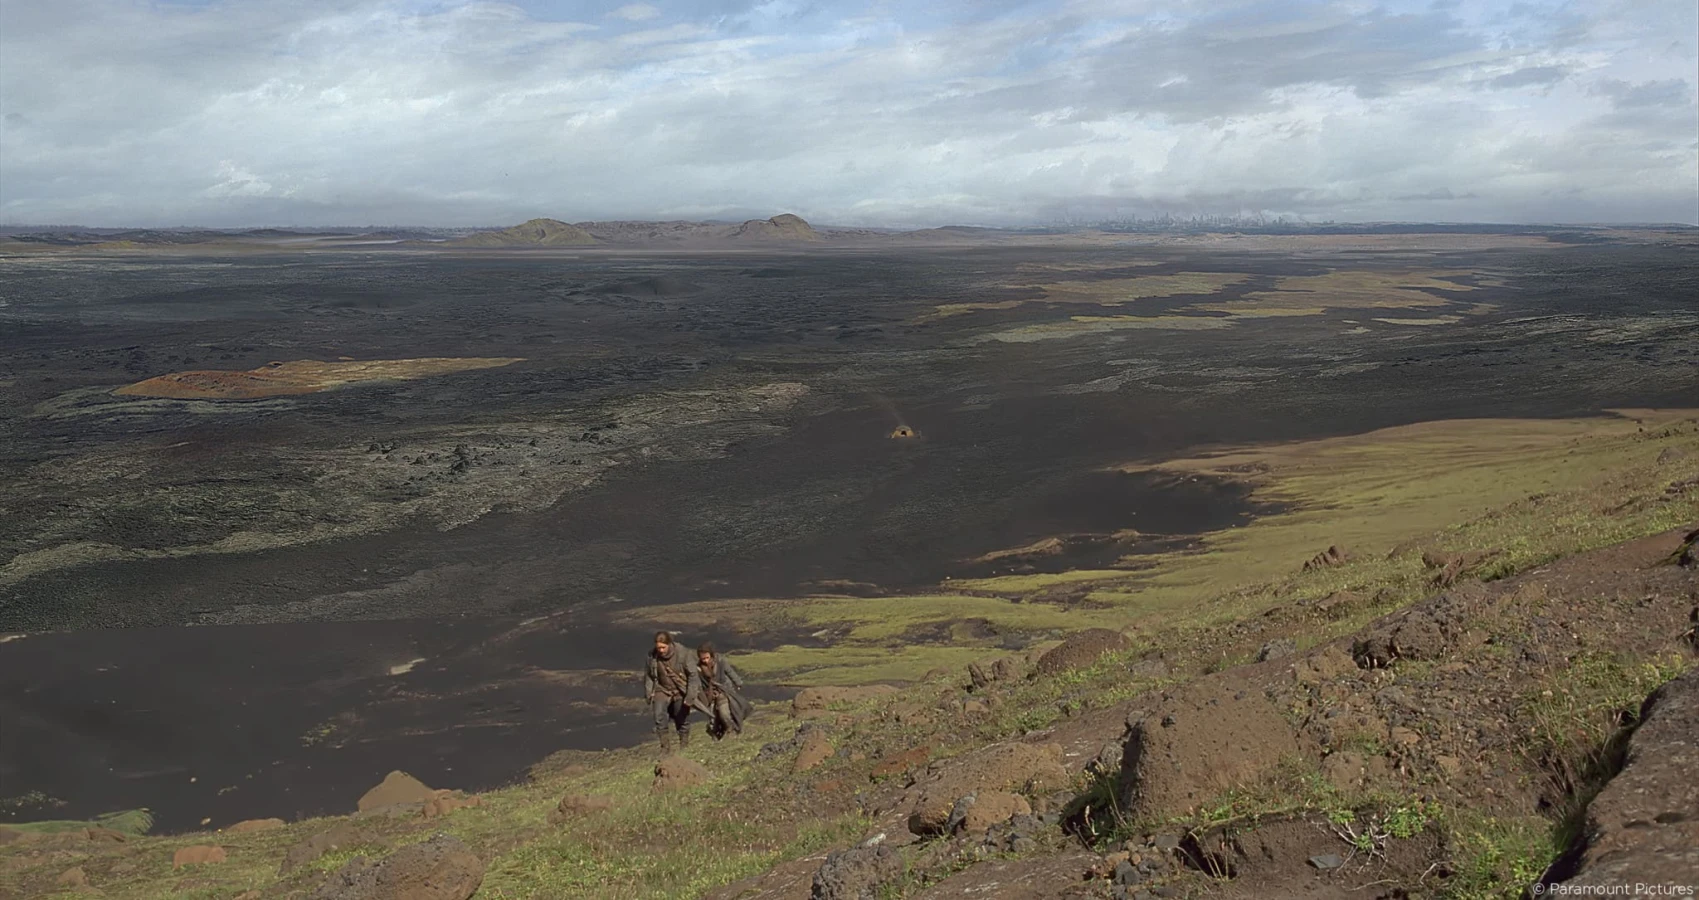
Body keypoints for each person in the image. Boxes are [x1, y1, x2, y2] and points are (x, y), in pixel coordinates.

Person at [642, 630, 700, 753]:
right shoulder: (652, 656)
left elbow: (693, 675)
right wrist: (648, 692)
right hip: (661, 689)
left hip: (680, 690)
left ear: (669, 644)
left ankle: (684, 746)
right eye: (659, 648)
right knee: (659, 717)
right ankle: (665, 748)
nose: (661, 650)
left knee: (682, 718)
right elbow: (648, 675)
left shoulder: (683, 654)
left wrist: (690, 696)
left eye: (663, 647)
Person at [693, 642, 751, 740]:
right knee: (713, 718)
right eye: (703, 659)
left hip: (724, 691)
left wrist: (738, 682)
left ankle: (731, 730)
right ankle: (716, 735)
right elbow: (697, 683)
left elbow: (729, 671)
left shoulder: (720, 661)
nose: (705, 660)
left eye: (707, 657)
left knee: (725, 714)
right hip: (709, 695)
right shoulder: (698, 669)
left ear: (711, 655)